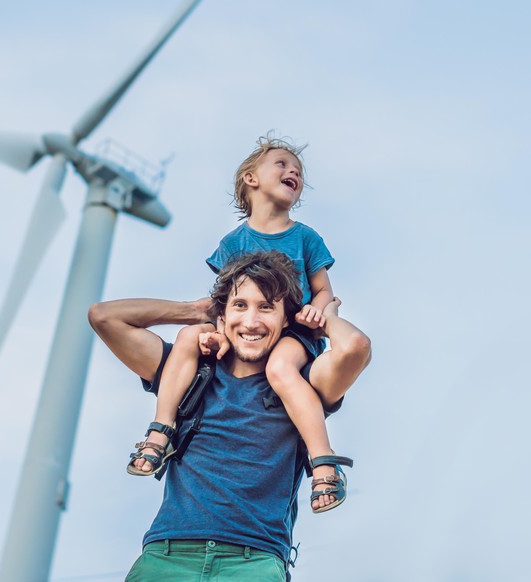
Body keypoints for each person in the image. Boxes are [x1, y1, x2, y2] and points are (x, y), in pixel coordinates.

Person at [89, 250, 371, 581]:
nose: (251, 321)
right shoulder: (187, 373)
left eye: (266, 307)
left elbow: (354, 347)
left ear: (285, 319)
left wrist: (325, 318)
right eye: (240, 305)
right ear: (221, 315)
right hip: (166, 557)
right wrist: (194, 312)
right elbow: (103, 316)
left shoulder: (300, 385)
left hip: (255, 562)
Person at [125, 134, 344, 513]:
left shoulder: (306, 237)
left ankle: (322, 460)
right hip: (245, 330)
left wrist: (318, 311)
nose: (293, 171)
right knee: (189, 335)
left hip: (294, 332)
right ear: (251, 178)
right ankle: (161, 429)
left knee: (280, 369)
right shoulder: (232, 242)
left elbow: (324, 291)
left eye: (298, 171)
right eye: (281, 163)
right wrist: (218, 335)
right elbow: (226, 302)